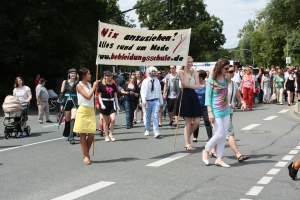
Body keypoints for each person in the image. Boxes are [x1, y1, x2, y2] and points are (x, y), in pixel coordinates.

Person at [211, 66, 249, 162]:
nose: (233, 73)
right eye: (231, 72)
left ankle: (211, 149)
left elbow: (238, 97)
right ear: (225, 72)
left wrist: (243, 103)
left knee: (219, 133)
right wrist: (226, 103)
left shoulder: (233, 84)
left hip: (229, 112)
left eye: (233, 72)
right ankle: (238, 155)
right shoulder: (219, 84)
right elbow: (216, 98)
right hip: (219, 112)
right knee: (230, 133)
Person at [202, 58, 231, 167]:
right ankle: (206, 150)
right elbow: (208, 97)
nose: (227, 71)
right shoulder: (211, 79)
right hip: (215, 110)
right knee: (219, 133)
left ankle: (219, 158)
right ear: (220, 67)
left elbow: (225, 94)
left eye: (228, 69)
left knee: (223, 135)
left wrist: (229, 104)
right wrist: (210, 112)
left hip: (226, 110)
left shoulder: (225, 79)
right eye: (226, 68)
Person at [174, 56, 201, 150]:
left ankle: (187, 135)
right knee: (188, 121)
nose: (190, 63)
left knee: (197, 121)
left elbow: (198, 86)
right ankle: (187, 143)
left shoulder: (195, 72)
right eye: (188, 62)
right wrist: (191, 85)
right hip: (184, 95)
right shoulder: (180, 72)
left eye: (191, 62)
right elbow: (184, 83)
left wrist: (190, 86)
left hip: (193, 95)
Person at [73, 68, 99, 165]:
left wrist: (94, 97)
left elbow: (90, 97)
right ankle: (85, 156)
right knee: (83, 134)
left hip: (90, 110)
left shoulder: (89, 84)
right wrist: (93, 89)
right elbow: (87, 96)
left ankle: (86, 152)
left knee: (91, 133)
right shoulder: (79, 85)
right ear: (84, 75)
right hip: (83, 110)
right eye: (88, 74)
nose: (90, 75)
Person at [140, 66, 163, 138]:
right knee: (147, 116)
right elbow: (143, 91)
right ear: (149, 72)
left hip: (156, 100)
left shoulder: (157, 81)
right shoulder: (145, 81)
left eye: (155, 71)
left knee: (155, 115)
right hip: (147, 101)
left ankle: (156, 132)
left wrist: (161, 101)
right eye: (153, 71)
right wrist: (143, 100)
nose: (154, 72)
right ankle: (147, 129)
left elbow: (159, 91)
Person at [98, 71, 120, 142]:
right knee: (105, 121)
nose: (109, 77)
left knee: (113, 119)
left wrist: (117, 105)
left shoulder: (113, 84)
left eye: (110, 76)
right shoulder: (101, 84)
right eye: (107, 76)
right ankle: (106, 136)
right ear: (104, 76)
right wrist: (102, 104)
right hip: (104, 102)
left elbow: (115, 95)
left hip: (112, 103)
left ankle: (111, 134)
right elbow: (99, 95)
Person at [58, 68, 78, 144]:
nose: (73, 74)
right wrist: (61, 104)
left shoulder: (77, 83)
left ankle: (71, 136)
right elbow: (61, 93)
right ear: (69, 74)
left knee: (73, 118)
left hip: (74, 102)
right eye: (72, 73)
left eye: (74, 73)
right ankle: (67, 133)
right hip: (66, 102)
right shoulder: (65, 82)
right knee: (68, 120)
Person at [193, 70, 212, 142]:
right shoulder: (194, 84)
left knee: (207, 121)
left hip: (205, 106)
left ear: (201, 77)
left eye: (197, 76)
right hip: (196, 106)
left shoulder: (207, 85)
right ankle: (195, 136)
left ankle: (210, 137)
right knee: (196, 122)